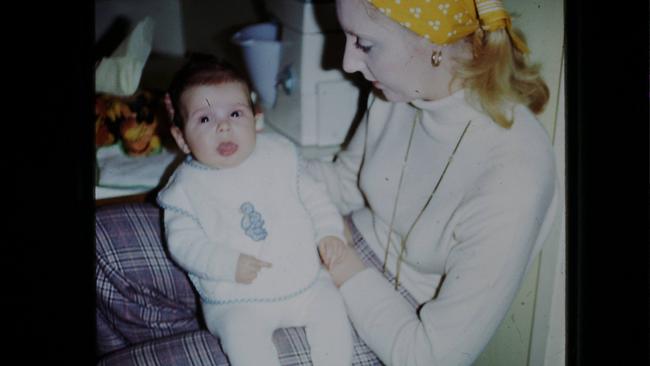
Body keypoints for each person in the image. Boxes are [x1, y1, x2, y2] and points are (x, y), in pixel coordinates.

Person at [95, 1, 559, 365]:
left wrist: (341, 266)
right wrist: (247, 176)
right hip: (329, 237)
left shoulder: (515, 172)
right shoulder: (402, 90)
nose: (348, 62)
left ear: (431, 41)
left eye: (364, 42)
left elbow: (430, 355)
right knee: (102, 246)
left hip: (390, 324)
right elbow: (342, 180)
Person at [156, 55, 352, 366]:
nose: (223, 127)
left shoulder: (279, 156)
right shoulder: (185, 189)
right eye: (205, 119)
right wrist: (225, 262)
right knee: (242, 339)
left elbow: (316, 197)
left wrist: (329, 232)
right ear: (181, 138)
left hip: (302, 280)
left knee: (332, 310)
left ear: (256, 119)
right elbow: (184, 243)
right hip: (237, 297)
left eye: (235, 113)